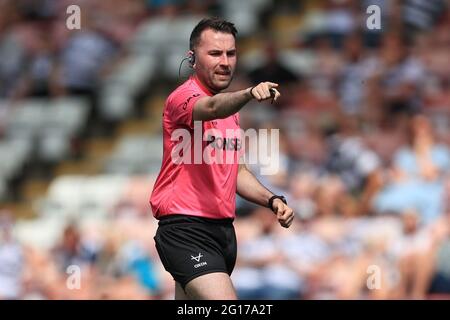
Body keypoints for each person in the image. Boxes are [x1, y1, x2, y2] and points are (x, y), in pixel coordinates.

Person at [149, 17, 295, 300]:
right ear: (193, 58)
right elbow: (212, 106)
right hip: (185, 230)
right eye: (215, 53)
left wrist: (273, 200)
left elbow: (236, 172)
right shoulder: (183, 98)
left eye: (231, 53)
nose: (225, 61)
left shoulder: (231, 112)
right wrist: (250, 92)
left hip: (223, 234)